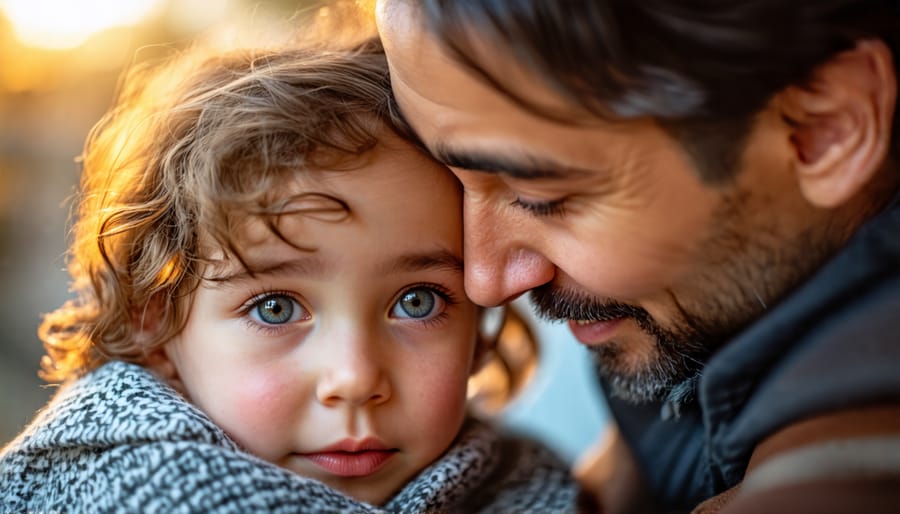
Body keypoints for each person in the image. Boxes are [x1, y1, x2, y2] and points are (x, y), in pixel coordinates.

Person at [0, 31, 581, 513]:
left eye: (417, 301)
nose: (354, 379)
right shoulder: (124, 487)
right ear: (157, 324)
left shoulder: (527, 481)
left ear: (479, 322)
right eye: (275, 307)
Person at [375, 1, 900, 512]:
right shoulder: (688, 319)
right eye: (448, 182)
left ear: (824, 126)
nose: (485, 283)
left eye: (541, 196)